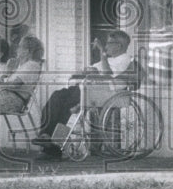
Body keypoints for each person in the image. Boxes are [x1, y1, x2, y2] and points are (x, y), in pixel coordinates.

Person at [31, 29, 142, 159]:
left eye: (109, 43)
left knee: (66, 105)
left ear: (119, 46)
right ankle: (47, 136)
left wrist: (102, 53)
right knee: (56, 97)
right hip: (88, 87)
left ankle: (53, 146)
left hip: (102, 91)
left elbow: (107, 75)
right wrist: (88, 71)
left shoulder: (124, 60)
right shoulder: (110, 59)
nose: (106, 46)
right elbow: (95, 70)